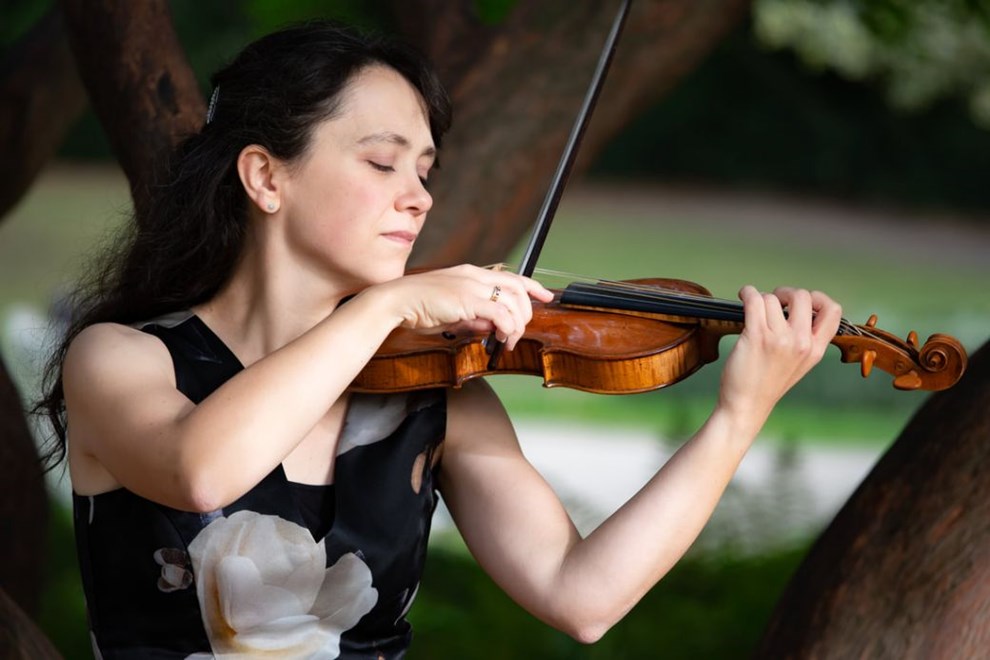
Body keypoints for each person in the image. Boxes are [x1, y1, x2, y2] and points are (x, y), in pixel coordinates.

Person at [39, 20, 842, 660]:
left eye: (424, 171)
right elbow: (202, 472)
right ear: (265, 177)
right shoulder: (123, 358)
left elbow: (583, 597)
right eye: (383, 163)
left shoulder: (435, 392)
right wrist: (382, 307)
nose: (417, 198)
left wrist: (738, 418)